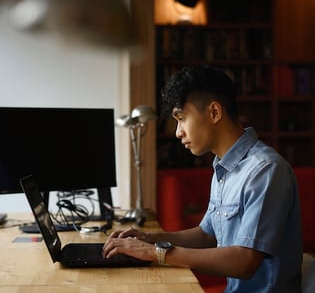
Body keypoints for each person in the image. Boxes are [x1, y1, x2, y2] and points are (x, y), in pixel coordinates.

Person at [102, 65, 303, 292]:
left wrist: (157, 253)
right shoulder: (223, 166)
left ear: (214, 112)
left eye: (181, 118)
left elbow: (244, 262)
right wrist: (148, 238)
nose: (178, 132)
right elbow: (207, 234)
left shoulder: (265, 170)